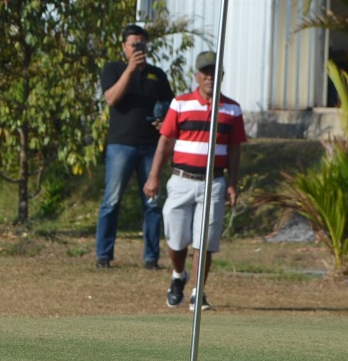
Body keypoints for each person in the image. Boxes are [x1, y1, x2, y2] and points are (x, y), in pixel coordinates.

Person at [144, 51, 247, 311]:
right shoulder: (180, 104)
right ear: (197, 76)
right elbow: (165, 141)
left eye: (214, 72)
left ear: (221, 76)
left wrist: (233, 183)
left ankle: (197, 292)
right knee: (176, 240)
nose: (210, 77)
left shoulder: (232, 108)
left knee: (205, 241)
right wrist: (153, 176)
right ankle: (179, 275)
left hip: (214, 183)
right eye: (205, 72)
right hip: (182, 180)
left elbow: (235, 149)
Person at [94, 24, 174, 269]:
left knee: (152, 203)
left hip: (150, 147)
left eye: (142, 44)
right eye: (133, 44)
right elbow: (111, 98)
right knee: (111, 201)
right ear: (124, 47)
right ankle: (104, 255)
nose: (138, 48)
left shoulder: (157, 75)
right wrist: (130, 70)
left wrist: (164, 120)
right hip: (121, 145)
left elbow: (170, 106)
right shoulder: (114, 69)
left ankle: (151, 258)